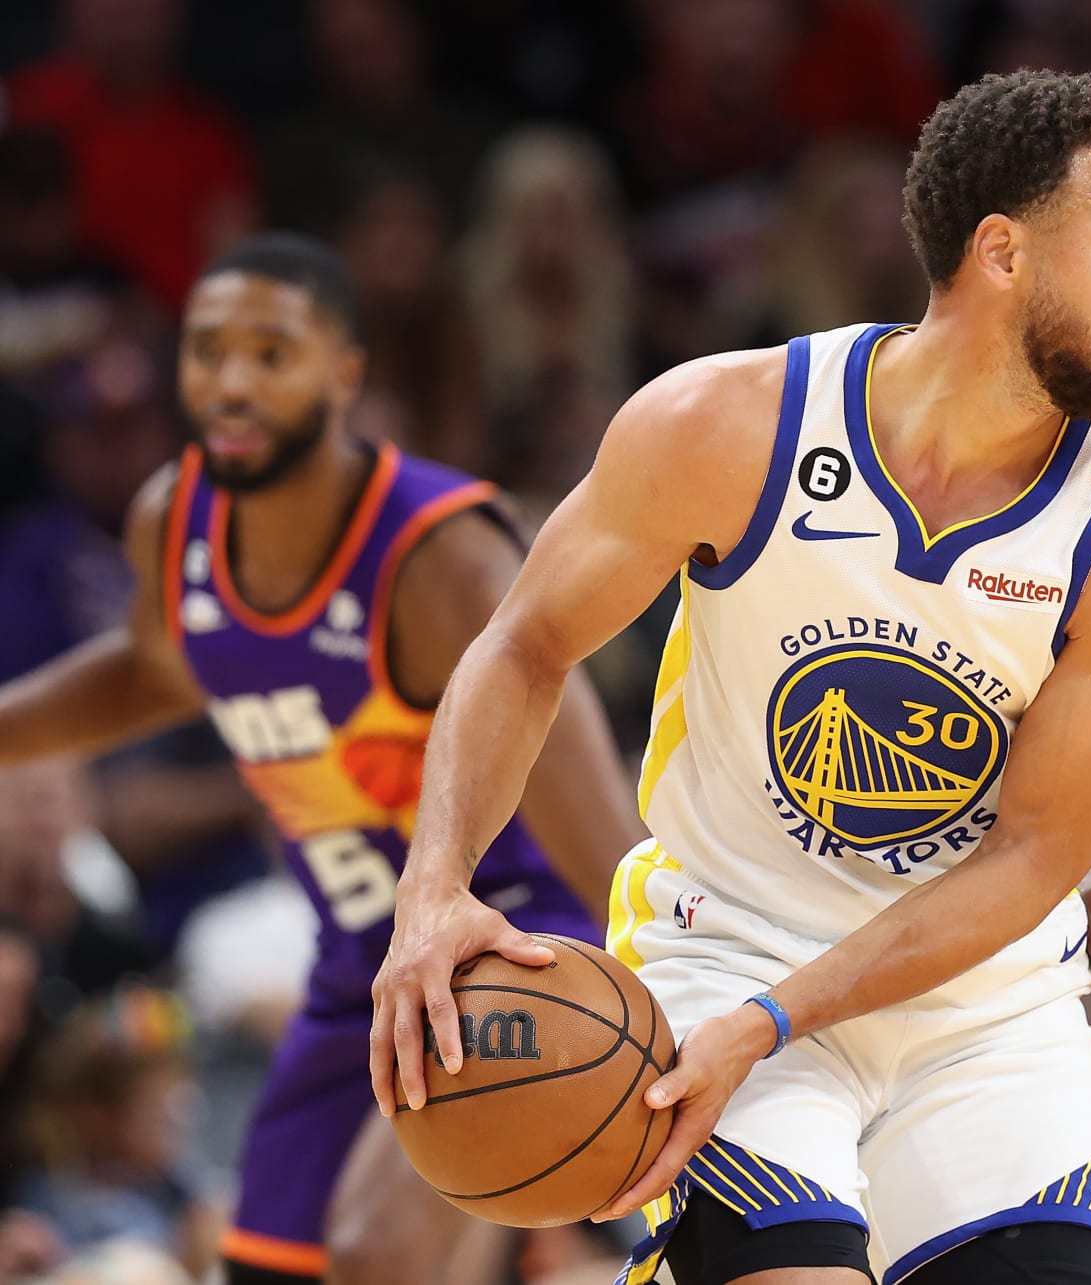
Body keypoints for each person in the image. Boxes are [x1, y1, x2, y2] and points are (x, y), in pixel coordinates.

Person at [372, 69, 1091, 1285]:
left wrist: (780, 1018)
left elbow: (1029, 859)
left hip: (978, 1019)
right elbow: (522, 643)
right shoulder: (729, 422)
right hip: (725, 956)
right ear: (1002, 254)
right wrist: (435, 888)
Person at [0, 232, 646, 1285]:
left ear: (343, 373)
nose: (234, 380)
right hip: (364, 963)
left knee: (377, 1256)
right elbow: (151, 672)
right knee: (266, 1268)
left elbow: (605, 832)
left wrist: (674, 996)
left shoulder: (440, 556)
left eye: (272, 351)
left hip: (513, 938)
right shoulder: (175, 525)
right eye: (209, 351)